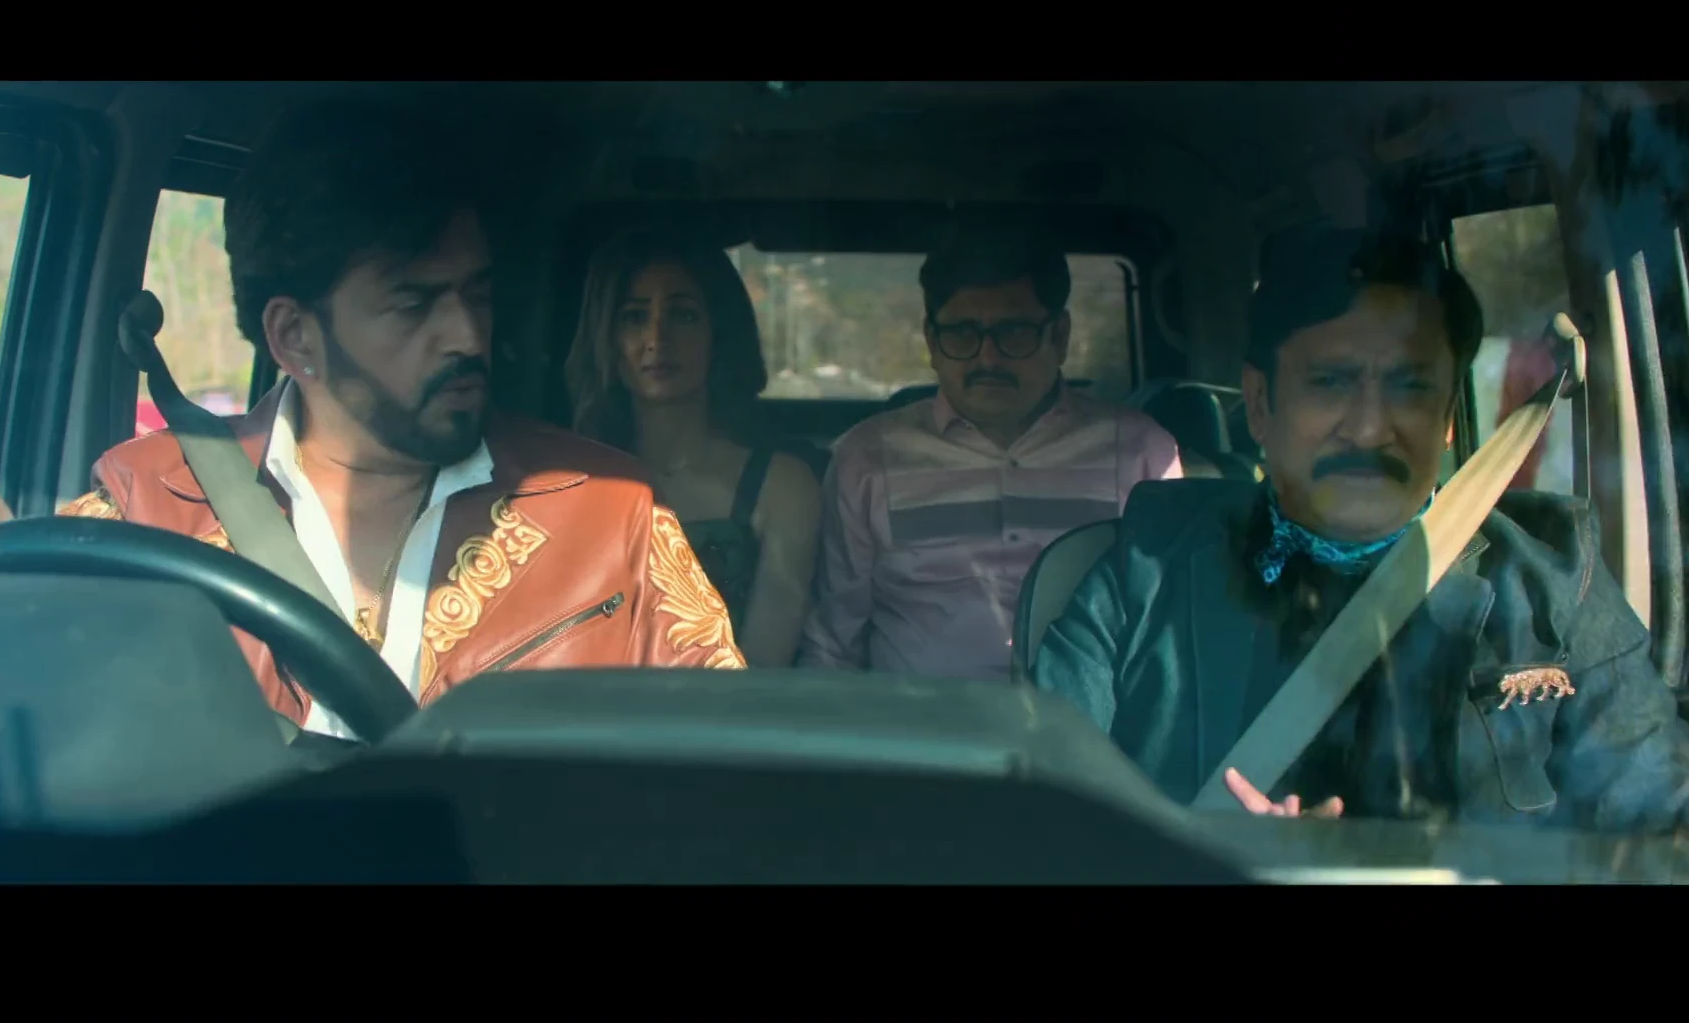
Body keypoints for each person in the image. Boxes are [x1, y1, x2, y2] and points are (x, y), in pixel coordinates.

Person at [0, 101, 745, 739]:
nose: (468, 335)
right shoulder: (145, 510)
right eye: (414, 304)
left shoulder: (610, 514)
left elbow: (726, 771)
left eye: (477, 293)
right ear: (294, 336)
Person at [1031, 228, 1689, 830]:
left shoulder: (1554, 575)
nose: (1370, 428)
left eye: (1410, 387)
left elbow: (1661, 828)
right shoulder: (1146, 572)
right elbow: (1041, 817)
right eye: (1330, 383)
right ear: (1259, 404)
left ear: (1448, 416)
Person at [796, 225, 1183, 680]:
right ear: (931, 340)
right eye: (962, 334)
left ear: (1060, 336)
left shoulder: (1138, 452)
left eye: (1013, 332)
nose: (988, 359)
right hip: (917, 721)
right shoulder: (867, 459)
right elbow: (833, 642)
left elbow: (1167, 631)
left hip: (1084, 721)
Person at [564, 226, 821, 668]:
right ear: (605, 337)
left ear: (718, 333)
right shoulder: (562, 482)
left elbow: (763, 666)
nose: (657, 338)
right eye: (633, 317)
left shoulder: (783, 487)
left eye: (683, 316)